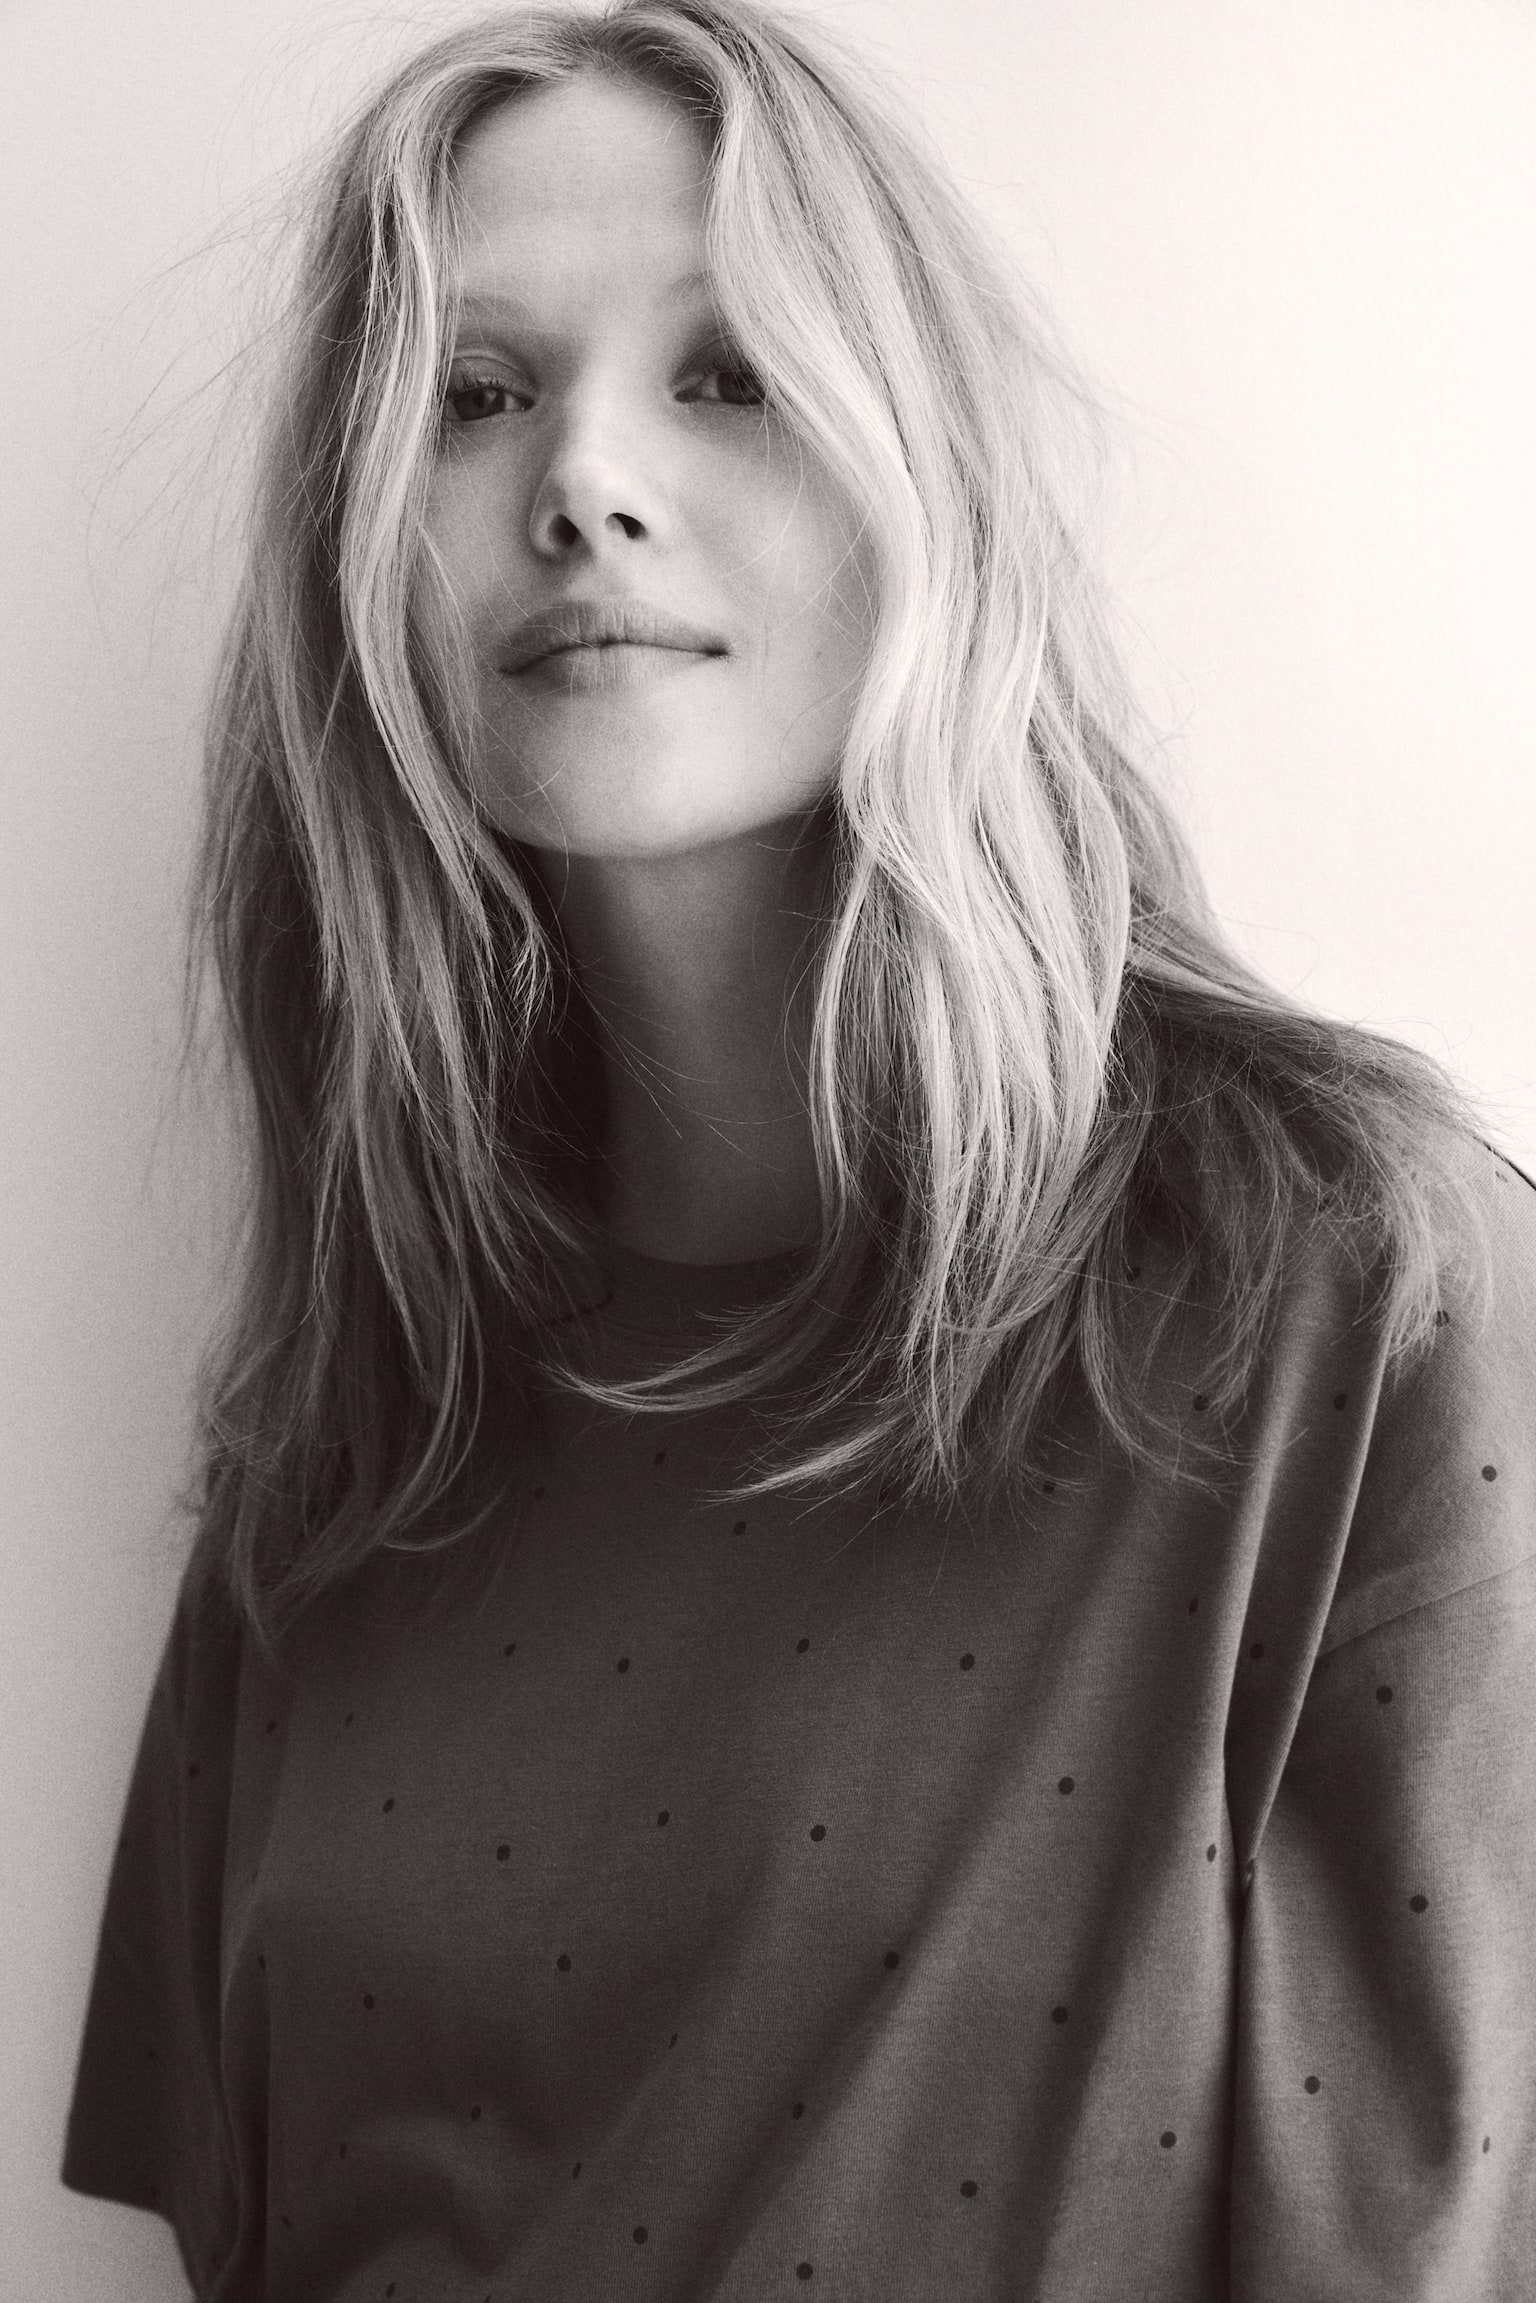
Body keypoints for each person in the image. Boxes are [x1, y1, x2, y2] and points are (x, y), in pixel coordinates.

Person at [60, 1, 1536, 2295]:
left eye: (730, 371)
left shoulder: (1344, 1281)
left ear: (920, 477)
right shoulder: (343, 1425)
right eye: (475, 392)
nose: (584, 480)